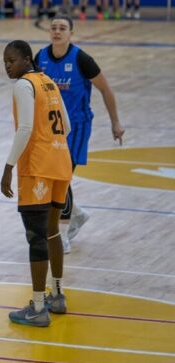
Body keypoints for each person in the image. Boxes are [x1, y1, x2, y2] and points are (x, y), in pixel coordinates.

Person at [36, 15, 125, 253]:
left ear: (70, 33)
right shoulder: (41, 58)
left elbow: (105, 89)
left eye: (62, 28)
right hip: (50, 128)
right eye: (53, 27)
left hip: (76, 126)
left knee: (62, 178)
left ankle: (62, 235)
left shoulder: (82, 59)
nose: (57, 31)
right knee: (50, 178)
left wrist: (115, 123)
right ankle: (77, 214)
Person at [0, 40, 72, 327]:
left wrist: (8, 167)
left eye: (12, 60)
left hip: (38, 167)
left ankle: (38, 307)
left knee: (36, 237)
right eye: (4, 61)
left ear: (27, 59)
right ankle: (57, 295)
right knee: (53, 232)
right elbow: (65, 125)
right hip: (60, 163)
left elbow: (27, 128)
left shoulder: (22, 85)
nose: (7, 66)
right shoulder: (49, 83)